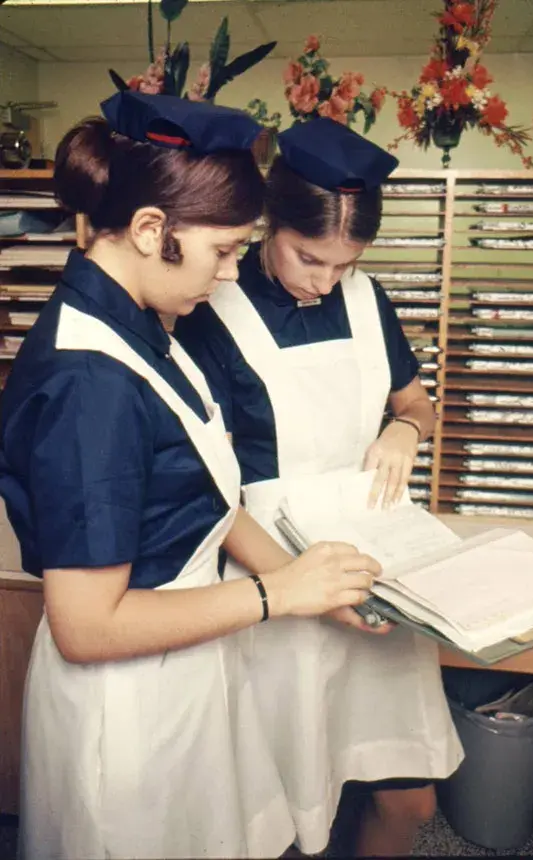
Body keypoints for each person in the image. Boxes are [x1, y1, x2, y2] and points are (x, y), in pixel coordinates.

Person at [0, 94, 381, 860]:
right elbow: (85, 626)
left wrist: (310, 581)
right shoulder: (89, 383)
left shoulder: (146, 325)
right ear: (150, 231)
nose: (233, 270)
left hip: (184, 670)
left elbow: (208, 497)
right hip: (128, 704)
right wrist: (278, 594)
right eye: (223, 250)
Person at [174, 117, 464, 858]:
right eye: (309, 258)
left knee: (408, 795)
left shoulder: (367, 300)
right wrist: (300, 584)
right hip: (273, 572)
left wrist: (406, 429)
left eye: (344, 263)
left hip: (374, 565)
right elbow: (208, 490)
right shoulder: (211, 312)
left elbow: (417, 403)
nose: (323, 281)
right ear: (270, 223)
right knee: (285, 801)